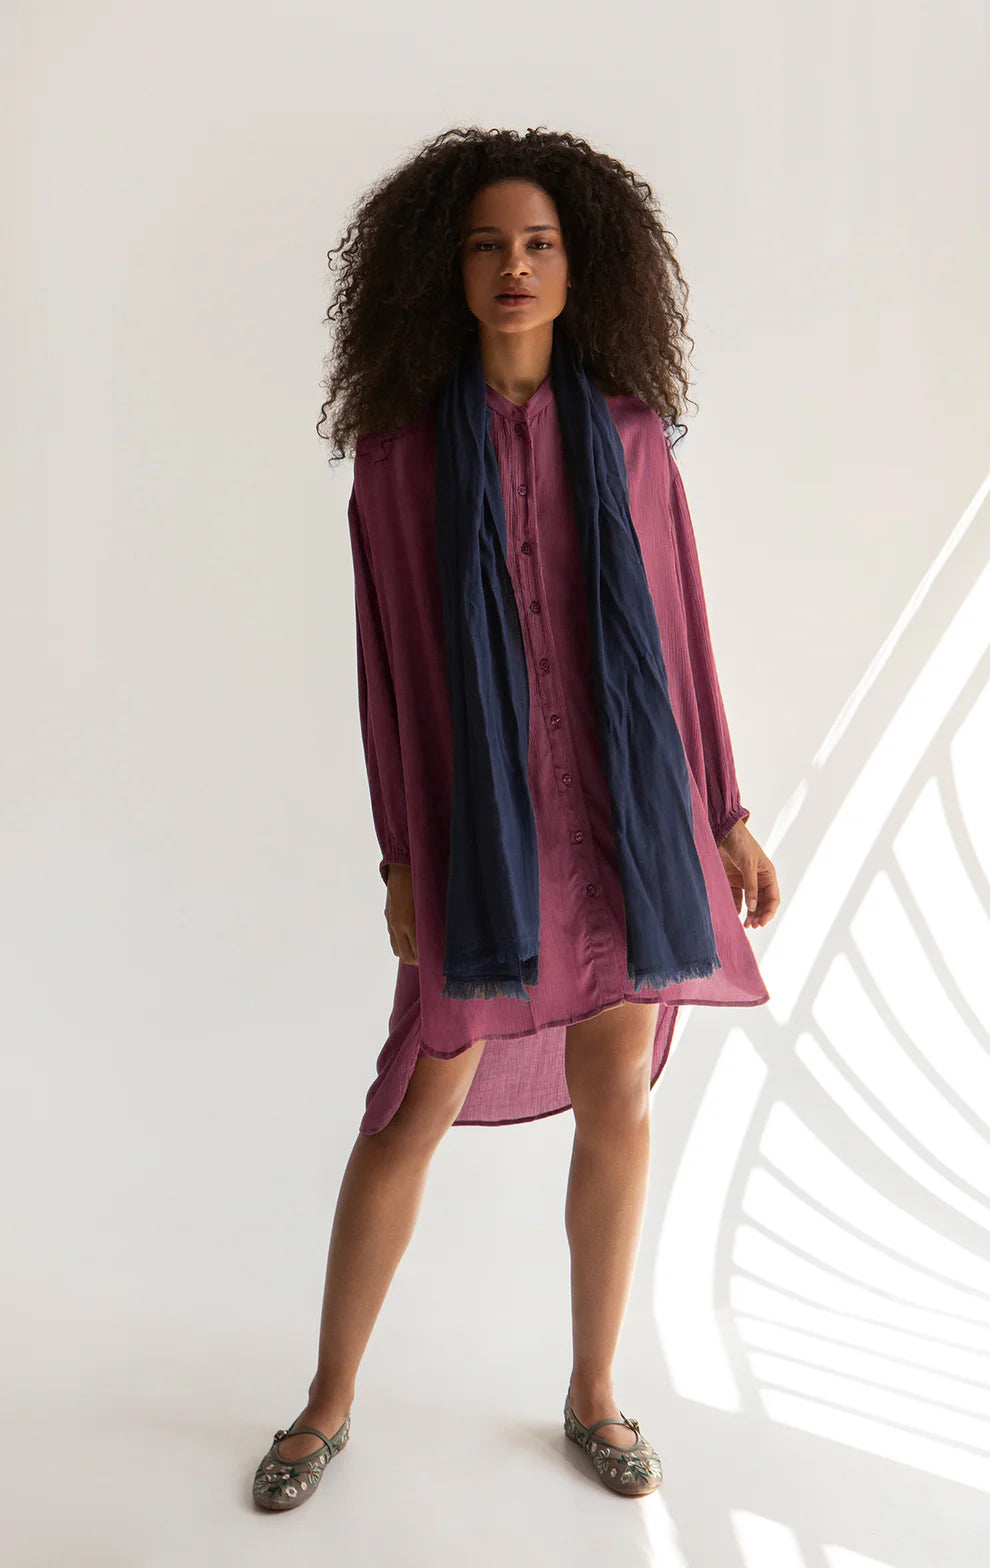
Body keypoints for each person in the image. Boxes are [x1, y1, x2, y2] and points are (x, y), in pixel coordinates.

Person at [252, 126, 781, 1511]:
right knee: (413, 1102)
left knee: (618, 1097)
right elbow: (385, 672)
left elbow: (682, 636)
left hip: (625, 822)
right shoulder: (395, 464)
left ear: (577, 264)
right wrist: (398, 855)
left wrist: (725, 815)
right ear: (447, 268)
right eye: (487, 243)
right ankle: (325, 1403)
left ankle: (594, 1395)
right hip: (482, 837)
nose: (514, 266)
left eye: (539, 243)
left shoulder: (631, 440)